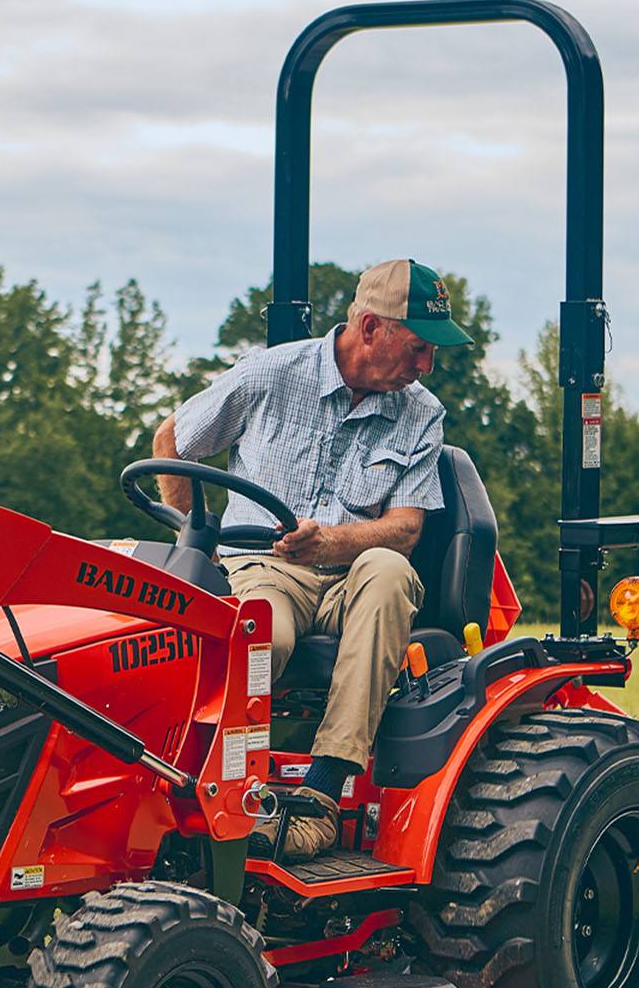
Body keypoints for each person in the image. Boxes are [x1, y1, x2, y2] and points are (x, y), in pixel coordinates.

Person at [151, 258, 472, 861]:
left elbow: (404, 529)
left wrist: (332, 543)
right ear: (371, 327)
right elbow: (172, 440)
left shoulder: (420, 412)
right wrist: (194, 531)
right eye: (420, 347)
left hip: (355, 576)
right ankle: (221, 792)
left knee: (390, 571)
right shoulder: (271, 375)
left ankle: (322, 793)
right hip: (266, 568)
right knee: (256, 638)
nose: (427, 365)